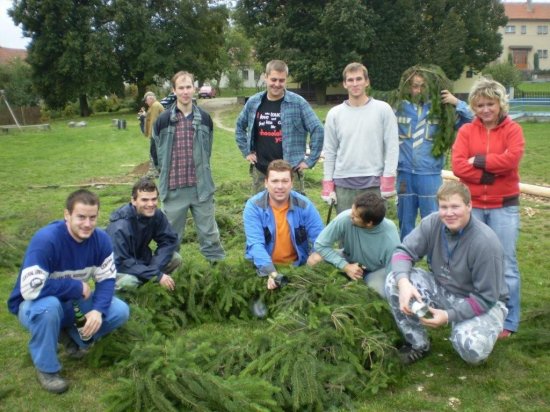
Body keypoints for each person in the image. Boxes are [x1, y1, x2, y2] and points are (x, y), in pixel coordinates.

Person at [6, 190, 130, 393]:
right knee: (49, 308)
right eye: (81, 217)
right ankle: (46, 368)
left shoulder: (101, 240)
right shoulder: (46, 241)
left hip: (70, 303)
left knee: (120, 310)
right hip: (33, 304)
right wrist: (75, 286)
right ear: (67, 215)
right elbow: (29, 289)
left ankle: (73, 337)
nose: (87, 224)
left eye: (93, 217)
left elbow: (107, 279)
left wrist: (98, 311)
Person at [385, 181, 508, 365]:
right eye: (444, 207)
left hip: (481, 301)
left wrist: (448, 316)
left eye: (455, 206)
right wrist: (404, 284)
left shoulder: (486, 243)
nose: (449, 213)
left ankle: (480, 327)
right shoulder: (433, 223)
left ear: (469, 206)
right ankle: (418, 344)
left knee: (472, 349)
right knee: (394, 281)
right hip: (443, 288)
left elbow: (487, 297)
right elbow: (402, 252)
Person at [451, 77, 525, 340]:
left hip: (503, 207)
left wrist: (479, 160)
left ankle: (510, 317)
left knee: (505, 262)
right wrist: (486, 176)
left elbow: (511, 159)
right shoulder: (466, 132)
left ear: (499, 104)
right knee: (473, 262)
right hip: (474, 207)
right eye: (480, 105)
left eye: (490, 104)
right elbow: (458, 165)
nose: (485, 110)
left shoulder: (512, 130)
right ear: (473, 106)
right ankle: (475, 309)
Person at [152, 71, 225, 263]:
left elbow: (207, 151)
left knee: (210, 236)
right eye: (181, 88)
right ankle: (169, 278)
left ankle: (218, 273)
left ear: (194, 89)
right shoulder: (163, 120)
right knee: (170, 240)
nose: (185, 92)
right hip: (174, 189)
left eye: (188, 87)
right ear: (174, 90)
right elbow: (155, 152)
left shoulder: (205, 119)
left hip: (201, 189)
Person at [393, 66, 473, 240]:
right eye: (414, 86)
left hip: (430, 175)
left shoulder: (442, 110)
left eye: (423, 86)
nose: (418, 90)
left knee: (434, 221)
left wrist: (457, 103)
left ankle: (435, 261)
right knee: (405, 221)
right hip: (405, 175)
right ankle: (405, 261)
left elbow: (473, 120)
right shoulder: (399, 108)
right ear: (408, 87)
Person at [235, 59, 324, 194]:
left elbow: (317, 129)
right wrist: (246, 152)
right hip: (261, 172)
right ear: (265, 77)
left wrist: (310, 160)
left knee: (292, 213)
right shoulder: (254, 102)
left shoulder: (298, 103)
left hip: (290, 172)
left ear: (286, 80)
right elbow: (240, 126)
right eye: (273, 79)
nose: (277, 84)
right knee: (261, 212)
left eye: (281, 80)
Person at [322, 62, 399, 215]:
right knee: (346, 233)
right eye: (350, 80)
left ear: (367, 81)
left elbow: (392, 146)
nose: (355, 83)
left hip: (374, 184)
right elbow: (330, 151)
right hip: (343, 184)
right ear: (344, 84)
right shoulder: (334, 114)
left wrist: (389, 179)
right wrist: (328, 185)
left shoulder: (383, 109)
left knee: (373, 233)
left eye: (359, 79)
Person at [243, 159, 324, 289]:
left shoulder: (305, 205)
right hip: (264, 266)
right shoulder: (254, 206)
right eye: (274, 181)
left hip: (298, 266)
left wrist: (315, 256)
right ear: (266, 183)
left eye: (285, 181)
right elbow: (255, 244)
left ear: (292, 183)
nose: (280, 186)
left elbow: (320, 238)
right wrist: (271, 272)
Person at [310, 192, 400, 297]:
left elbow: (394, 269)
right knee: (314, 260)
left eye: (355, 216)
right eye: (352, 210)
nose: (350, 215)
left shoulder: (389, 235)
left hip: (376, 270)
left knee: (378, 294)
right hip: (348, 259)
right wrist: (345, 266)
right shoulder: (345, 218)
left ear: (369, 223)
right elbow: (320, 245)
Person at [106, 178, 182, 291]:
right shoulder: (120, 226)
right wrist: (155, 274)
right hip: (118, 268)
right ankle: (125, 303)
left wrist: (154, 268)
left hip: (143, 261)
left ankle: (158, 291)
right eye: (145, 200)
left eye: (154, 199)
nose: (150, 204)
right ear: (133, 200)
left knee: (176, 258)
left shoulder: (156, 215)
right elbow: (121, 262)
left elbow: (169, 241)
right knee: (129, 282)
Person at [142, 92, 165, 177]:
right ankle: (158, 170)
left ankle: (158, 170)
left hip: (156, 134)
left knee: (155, 152)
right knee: (154, 152)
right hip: (156, 134)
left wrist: (153, 135)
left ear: (150, 99)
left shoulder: (155, 106)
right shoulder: (153, 106)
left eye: (146, 100)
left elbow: (154, 121)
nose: (145, 102)